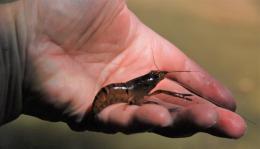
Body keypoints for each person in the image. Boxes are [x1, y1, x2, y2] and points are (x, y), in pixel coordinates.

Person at [0, 0, 246, 138]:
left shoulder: (145, 83)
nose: (157, 78)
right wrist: (17, 52)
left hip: (120, 92)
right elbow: (157, 93)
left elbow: (154, 87)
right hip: (114, 94)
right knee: (161, 100)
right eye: (156, 76)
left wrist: (17, 53)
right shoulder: (145, 88)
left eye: (156, 77)